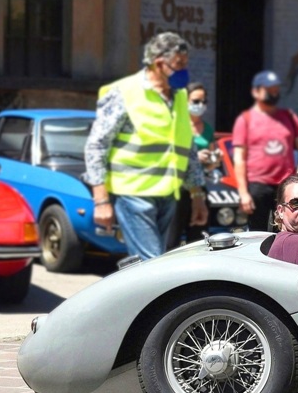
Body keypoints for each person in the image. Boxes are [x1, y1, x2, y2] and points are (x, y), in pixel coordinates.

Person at [85, 31, 207, 261]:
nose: (184, 71)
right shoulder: (124, 92)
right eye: (179, 65)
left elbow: (186, 147)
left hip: (168, 194)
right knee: (151, 264)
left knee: (149, 265)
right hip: (133, 193)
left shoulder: (180, 96)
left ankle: (128, 297)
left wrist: (197, 193)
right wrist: (100, 199)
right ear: (159, 63)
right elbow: (97, 145)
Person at [232, 70, 298, 232]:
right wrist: (243, 193)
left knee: (286, 231)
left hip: (285, 185)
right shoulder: (245, 120)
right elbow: (239, 158)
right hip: (258, 185)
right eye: (269, 90)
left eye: (276, 90)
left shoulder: (288, 116)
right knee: (257, 234)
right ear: (256, 91)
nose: (274, 93)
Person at [171, 82, 216, 247]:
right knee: (171, 241)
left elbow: (211, 163)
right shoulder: (176, 125)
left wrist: (213, 160)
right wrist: (195, 157)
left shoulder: (208, 129)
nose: (200, 105)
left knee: (198, 241)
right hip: (179, 189)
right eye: (196, 101)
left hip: (199, 188)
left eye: (204, 102)